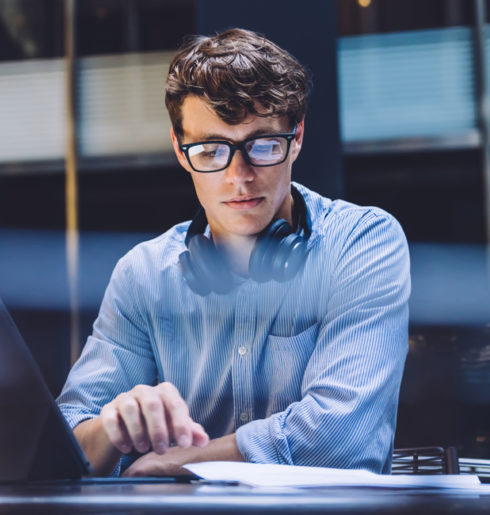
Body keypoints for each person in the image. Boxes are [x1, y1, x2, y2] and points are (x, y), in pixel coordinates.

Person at [56, 28, 410, 477]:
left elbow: (339, 438)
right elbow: (65, 443)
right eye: (210, 150)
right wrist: (111, 426)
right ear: (180, 152)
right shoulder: (142, 274)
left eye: (262, 145)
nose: (239, 176)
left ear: (296, 137)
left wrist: (173, 463)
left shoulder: (362, 243)